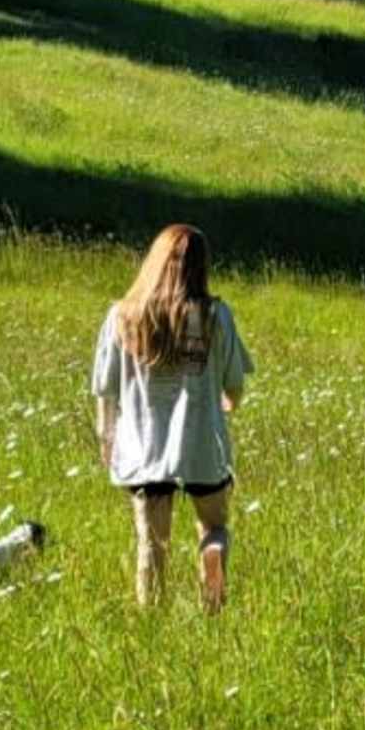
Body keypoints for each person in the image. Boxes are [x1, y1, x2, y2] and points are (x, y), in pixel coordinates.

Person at [92, 223, 256, 610]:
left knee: (151, 543)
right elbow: (234, 382)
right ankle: (212, 597)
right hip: (200, 443)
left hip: (144, 447)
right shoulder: (215, 316)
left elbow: (105, 386)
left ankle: (153, 616)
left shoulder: (123, 316)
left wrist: (107, 437)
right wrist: (229, 401)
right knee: (214, 525)